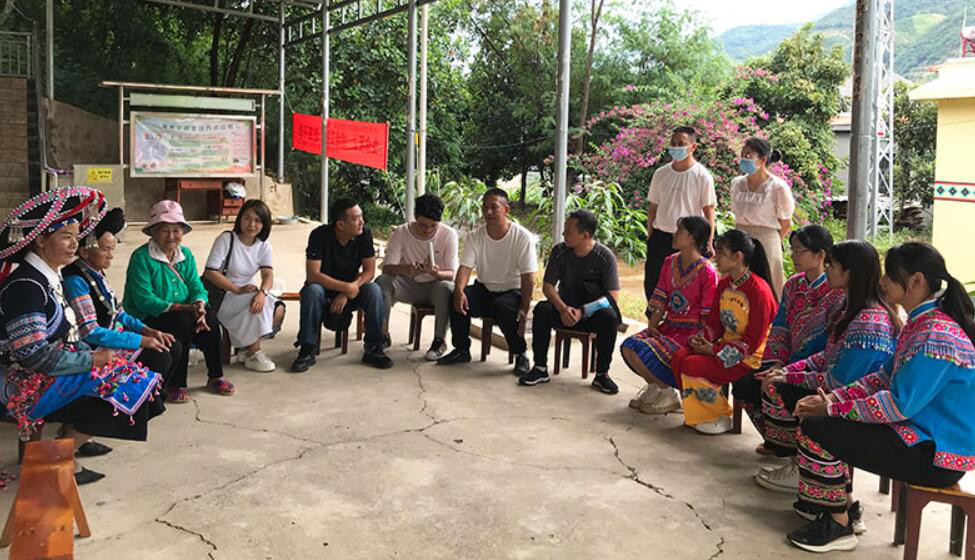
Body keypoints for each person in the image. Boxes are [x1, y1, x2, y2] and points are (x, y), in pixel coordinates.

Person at [786, 242, 975, 553]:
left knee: (818, 428)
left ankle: (838, 523)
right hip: (915, 436)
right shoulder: (922, 323)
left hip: (933, 455)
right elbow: (882, 378)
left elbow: (897, 405)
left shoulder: (936, 334)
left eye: (890, 275)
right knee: (820, 419)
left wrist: (832, 409)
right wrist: (833, 400)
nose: (883, 281)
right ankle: (842, 508)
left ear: (916, 281)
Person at [0, 187, 164, 485]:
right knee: (126, 387)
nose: (75, 244)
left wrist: (98, 357)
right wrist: (93, 360)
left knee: (138, 380)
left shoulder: (48, 278)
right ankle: (57, 455)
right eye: (66, 236)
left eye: (77, 236)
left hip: (47, 370)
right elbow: (33, 355)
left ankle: (63, 448)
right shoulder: (27, 286)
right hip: (20, 383)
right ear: (40, 240)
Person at [750, 240, 898, 495]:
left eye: (832, 265)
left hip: (851, 396)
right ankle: (798, 464)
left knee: (789, 397)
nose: (826, 269)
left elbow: (839, 381)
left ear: (850, 272)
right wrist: (786, 372)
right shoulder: (850, 308)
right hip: (836, 388)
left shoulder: (870, 321)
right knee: (772, 382)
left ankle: (811, 477)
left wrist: (790, 378)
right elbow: (825, 356)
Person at [62, 207, 180, 458]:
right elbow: (90, 331)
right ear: (85, 250)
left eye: (112, 249)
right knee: (157, 359)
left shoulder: (96, 273)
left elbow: (118, 312)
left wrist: (147, 330)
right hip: (91, 350)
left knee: (170, 347)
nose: (111, 256)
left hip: (108, 340)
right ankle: (75, 435)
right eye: (105, 249)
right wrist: (139, 340)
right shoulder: (75, 280)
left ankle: (86, 431)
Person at [732, 225, 845, 452]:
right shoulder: (793, 285)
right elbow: (780, 328)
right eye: (792, 250)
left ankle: (791, 449)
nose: (793, 256)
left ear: (820, 255)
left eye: (799, 251)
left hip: (816, 369)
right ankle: (776, 439)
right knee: (745, 383)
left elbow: (832, 344)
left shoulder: (837, 292)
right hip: (786, 360)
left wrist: (792, 370)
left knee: (777, 387)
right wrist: (776, 363)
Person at [123, 200, 234, 402]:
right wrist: (181, 308)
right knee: (181, 323)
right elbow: (143, 300)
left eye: (176, 230)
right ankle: (176, 383)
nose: (171, 236)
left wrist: (199, 304)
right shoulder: (141, 257)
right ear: (153, 231)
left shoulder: (186, 255)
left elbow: (196, 287)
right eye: (164, 230)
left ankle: (215, 376)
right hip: (148, 317)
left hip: (184, 311)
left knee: (210, 319)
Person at [670, 229, 777, 435]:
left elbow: (752, 342)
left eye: (720, 252)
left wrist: (714, 350)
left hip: (750, 356)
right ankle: (700, 411)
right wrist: (702, 340)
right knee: (679, 356)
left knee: (692, 364)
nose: (715, 257)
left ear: (737, 257)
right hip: (725, 346)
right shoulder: (725, 284)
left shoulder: (759, 291)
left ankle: (718, 415)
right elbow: (714, 323)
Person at [620, 216, 719, 413]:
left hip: (692, 333)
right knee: (629, 346)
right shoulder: (669, 262)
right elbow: (660, 297)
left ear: (692, 238)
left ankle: (667, 392)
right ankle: (657, 387)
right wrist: (652, 326)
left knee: (645, 350)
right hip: (669, 326)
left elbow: (709, 315)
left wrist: (703, 341)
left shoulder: (707, 271)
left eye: (680, 231)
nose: (674, 234)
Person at [518, 210, 622, 394]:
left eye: (568, 231)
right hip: (564, 310)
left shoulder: (605, 257)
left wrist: (583, 311)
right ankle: (540, 367)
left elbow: (612, 297)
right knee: (542, 310)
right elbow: (548, 286)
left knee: (609, 318)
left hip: (591, 313)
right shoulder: (559, 251)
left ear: (585, 235)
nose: (563, 234)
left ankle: (602, 374)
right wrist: (562, 308)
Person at [437, 188, 538, 376]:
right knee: (456, 297)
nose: (488, 212)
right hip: (484, 289)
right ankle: (461, 349)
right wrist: (459, 291)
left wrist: (525, 307)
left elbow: (528, 277)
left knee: (503, 307)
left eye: (494, 207)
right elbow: (465, 268)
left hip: (511, 292)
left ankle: (521, 354)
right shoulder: (475, 236)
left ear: (506, 210)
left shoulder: (522, 237)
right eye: (485, 207)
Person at [291, 199, 392, 372]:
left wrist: (348, 291)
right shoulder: (319, 235)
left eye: (361, 217)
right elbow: (313, 275)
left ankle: (374, 348)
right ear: (340, 224)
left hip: (352, 290)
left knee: (374, 290)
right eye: (356, 218)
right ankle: (307, 349)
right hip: (323, 290)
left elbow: (369, 271)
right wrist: (345, 288)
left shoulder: (364, 235)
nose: (362, 222)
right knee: (312, 291)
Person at [203, 199, 286, 372]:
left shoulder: (263, 246)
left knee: (277, 308)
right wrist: (237, 289)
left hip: (246, 294)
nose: (251, 224)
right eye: (247, 218)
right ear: (240, 219)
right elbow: (210, 272)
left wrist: (263, 292)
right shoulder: (226, 239)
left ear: (265, 224)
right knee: (256, 305)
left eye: (258, 220)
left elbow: (268, 274)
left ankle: (246, 348)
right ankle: (254, 352)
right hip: (223, 295)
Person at [375, 194, 458, 361]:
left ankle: (439, 341)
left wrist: (436, 273)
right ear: (415, 217)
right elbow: (387, 268)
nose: (427, 230)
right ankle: (382, 335)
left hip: (435, 288)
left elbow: (452, 274)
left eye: (433, 226)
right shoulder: (401, 232)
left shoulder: (449, 235)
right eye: (423, 225)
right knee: (382, 282)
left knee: (446, 287)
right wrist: (405, 269)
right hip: (408, 285)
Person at [644, 126, 717, 302]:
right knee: (654, 282)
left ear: (693, 147)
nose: (676, 147)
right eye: (673, 143)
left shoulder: (702, 176)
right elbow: (652, 207)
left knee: (687, 285)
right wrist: (651, 235)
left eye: (681, 144)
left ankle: (680, 317)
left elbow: (709, 211)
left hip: (689, 240)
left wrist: (708, 242)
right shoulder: (661, 174)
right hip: (661, 236)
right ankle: (654, 317)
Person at [729, 137, 796, 299]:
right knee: (738, 289)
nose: (744, 159)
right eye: (742, 155)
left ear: (763, 159)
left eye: (749, 155)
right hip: (740, 238)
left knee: (767, 287)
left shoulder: (777, 187)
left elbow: (785, 222)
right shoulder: (736, 183)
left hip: (767, 240)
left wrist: (774, 241)